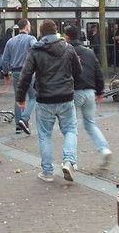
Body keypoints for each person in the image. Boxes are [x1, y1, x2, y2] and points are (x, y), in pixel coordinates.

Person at [16, 20, 81, 182]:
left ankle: (47, 172)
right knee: (71, 130)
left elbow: (25, 75)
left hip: (45, 99)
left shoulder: (36, 50)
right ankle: (69, 161)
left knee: (44, 135)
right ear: (56, 31)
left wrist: (20, 98)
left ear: (41, 33)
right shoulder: (68, 48)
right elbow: (78, 71)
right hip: (66, 97)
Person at [64, 25, 112, 167]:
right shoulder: (89, 52)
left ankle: (71, 161)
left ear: (66, 36)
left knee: (70, 127)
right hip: (90, 92)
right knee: (90, 123)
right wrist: (99, 91)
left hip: (73, 92)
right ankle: (104, 149)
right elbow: (98, 73)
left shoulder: (66, 51)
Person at [0, 19, 37, 134]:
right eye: (29, 25)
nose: (30, 27)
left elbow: (5, 60)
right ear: (26, 27)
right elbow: (36, 48)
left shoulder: (10, 41)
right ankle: (24, 119)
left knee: (18, 98)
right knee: (33, 97)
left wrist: (5, 74)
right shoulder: (31, 39)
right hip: (28, 72)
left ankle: (18, 127)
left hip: (15, 72)